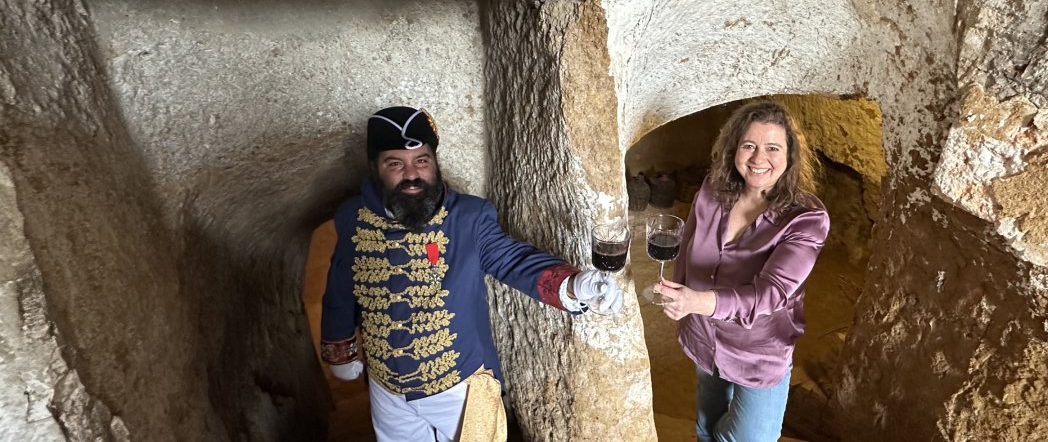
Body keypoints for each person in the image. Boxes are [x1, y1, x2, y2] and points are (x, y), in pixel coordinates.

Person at [320, 105, 622, 442]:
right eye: (396, 164)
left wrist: (575, 284)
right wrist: (339, 345)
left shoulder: (469, 217)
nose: (412, 174)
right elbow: (341, 287)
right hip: (386, 388)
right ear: (375, 168)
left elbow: (512, 260)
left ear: (435, 162)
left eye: (422, 160)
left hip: (458, 385)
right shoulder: (352, 217)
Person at [655, 100, 828, 442]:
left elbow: (772, 293)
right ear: (734, 149)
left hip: (758, 351)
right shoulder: (712, 190)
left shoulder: (806, 218)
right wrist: (679, 295)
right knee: (706, 427)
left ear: (790, 156)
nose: (758, 158)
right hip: (703, 336)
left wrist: (698, 302)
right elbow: (688, 248)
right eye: (749, 145)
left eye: (772, 148)